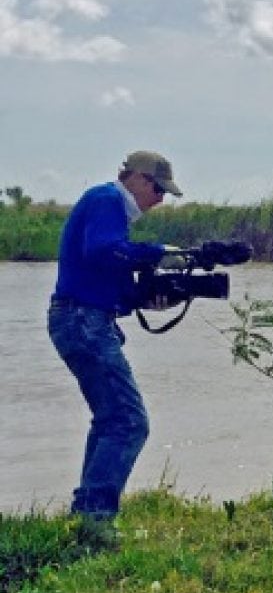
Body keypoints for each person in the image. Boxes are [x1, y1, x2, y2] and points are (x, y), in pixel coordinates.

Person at [47, 150, 181, 523]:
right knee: (128, 421)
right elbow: (104, 251)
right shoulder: (106, 199)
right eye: (157, 189)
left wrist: (156, 298)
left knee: (111, 419)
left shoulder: (112, 213)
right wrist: (158, 255)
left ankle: (88, 513)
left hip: (82, 319)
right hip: (82, 320)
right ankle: (96, 519)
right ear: (136, 178)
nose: (160, 199)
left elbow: (111, 280)